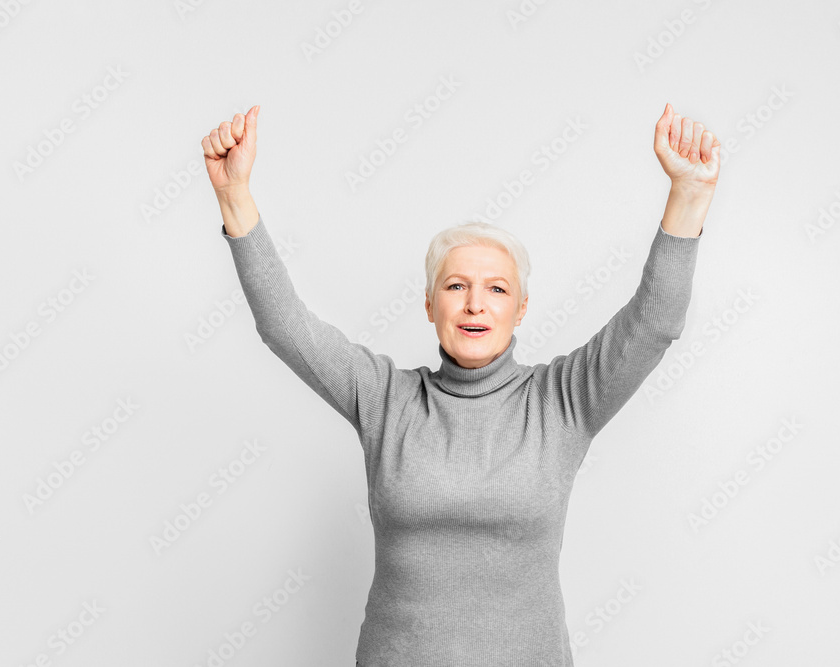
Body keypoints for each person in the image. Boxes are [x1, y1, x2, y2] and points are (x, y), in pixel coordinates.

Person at [202, 101, 719, 666]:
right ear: (429, 304)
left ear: (521, 309)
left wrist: (688, 195)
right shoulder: (384, 399)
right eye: (456, 287)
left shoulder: (564, 401)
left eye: (497, 289)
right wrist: (235, 195)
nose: (476, 304)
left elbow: (654, 325)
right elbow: (285, 327)